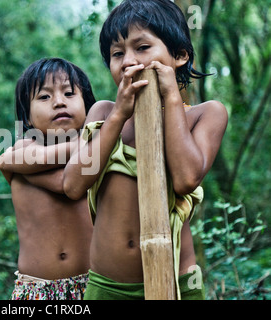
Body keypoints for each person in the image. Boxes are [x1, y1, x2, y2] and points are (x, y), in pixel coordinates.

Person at [63, 0, 228, 300]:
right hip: (107, 287)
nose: (128, 61)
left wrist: (171, 99)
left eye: (142, 48)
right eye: (117, 53)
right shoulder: (103, 112)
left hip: (175, 283)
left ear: (179, 55)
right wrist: (119, 115)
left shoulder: (205, 115)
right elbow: (73, 184)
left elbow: (185, 179)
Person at [0, 58, 96, 300]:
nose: (59, 102)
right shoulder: (23, 149)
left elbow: (69, 183)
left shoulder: (100, 154)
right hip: (36, 290)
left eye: (69, 93)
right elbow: (64, 182)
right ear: (28, 117)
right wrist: (87, 143)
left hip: (96, 285)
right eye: (44, 97)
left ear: (87, 105)